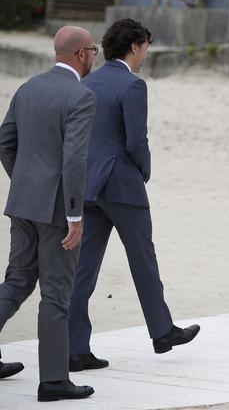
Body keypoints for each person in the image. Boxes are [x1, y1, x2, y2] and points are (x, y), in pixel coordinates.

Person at [68, 19, 200, 372]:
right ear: (134, 46)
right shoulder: (133, 85)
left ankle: (75, 348)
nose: (145, 55)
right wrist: (144, 171)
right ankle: (162, 332)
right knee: (143, 259)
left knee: (83, 271)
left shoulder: (87, 82)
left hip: (88, 186)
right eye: (145, 48)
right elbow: (135, 141)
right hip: (122, 185)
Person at [0, 26, 97, 401]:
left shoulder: (28, 88)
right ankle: (54, 381)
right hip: (57, 211)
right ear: (80, 54)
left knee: (18, 282)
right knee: (56, 294)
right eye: (94, 50)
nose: (94, 57)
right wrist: (75, 215)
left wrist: (25, 181)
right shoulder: (81, 96)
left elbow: (5, 142)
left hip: (23, 202)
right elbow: (74, 158)